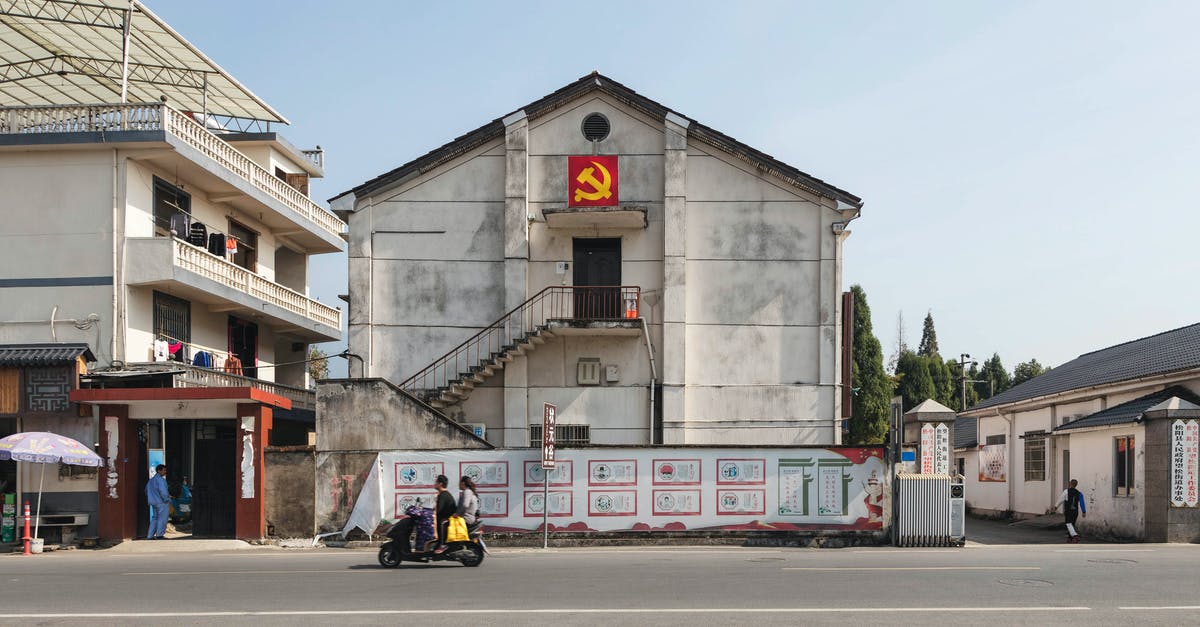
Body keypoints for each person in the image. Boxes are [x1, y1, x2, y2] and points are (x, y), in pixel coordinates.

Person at [432, 475, 456, 553]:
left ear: (440, 484)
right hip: (446, 518)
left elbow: (438, 510)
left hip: (447, 520)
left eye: (436, 482)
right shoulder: (444, 494)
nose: (434, 483)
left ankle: (442, 544)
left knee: (439, 522)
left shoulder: (443, 495)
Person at [1057, 478, 1087, 543]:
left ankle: (1075, 535)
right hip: (1075, 511)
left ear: (1070, 484)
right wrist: (1084, 511)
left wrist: (1056, 506)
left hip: (1068, 511)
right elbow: (1082, 503)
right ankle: (1070, 538)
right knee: (1072, 524)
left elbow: (1060, 499)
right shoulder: (1079, 493)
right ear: (1076, 485)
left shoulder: (1066, 491)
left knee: (1068, 524)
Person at [146, 465, 170, 540]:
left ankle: (150, 535)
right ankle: (159, 534)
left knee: (155, 518)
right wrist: (167, 499)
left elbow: (146, 490)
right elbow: (163, 492)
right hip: (161, 502)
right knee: (162, 518)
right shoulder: (161, 480)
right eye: (164, 470)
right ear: (159, 471)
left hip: (153, 502)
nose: (165, 472)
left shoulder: (151, 480)